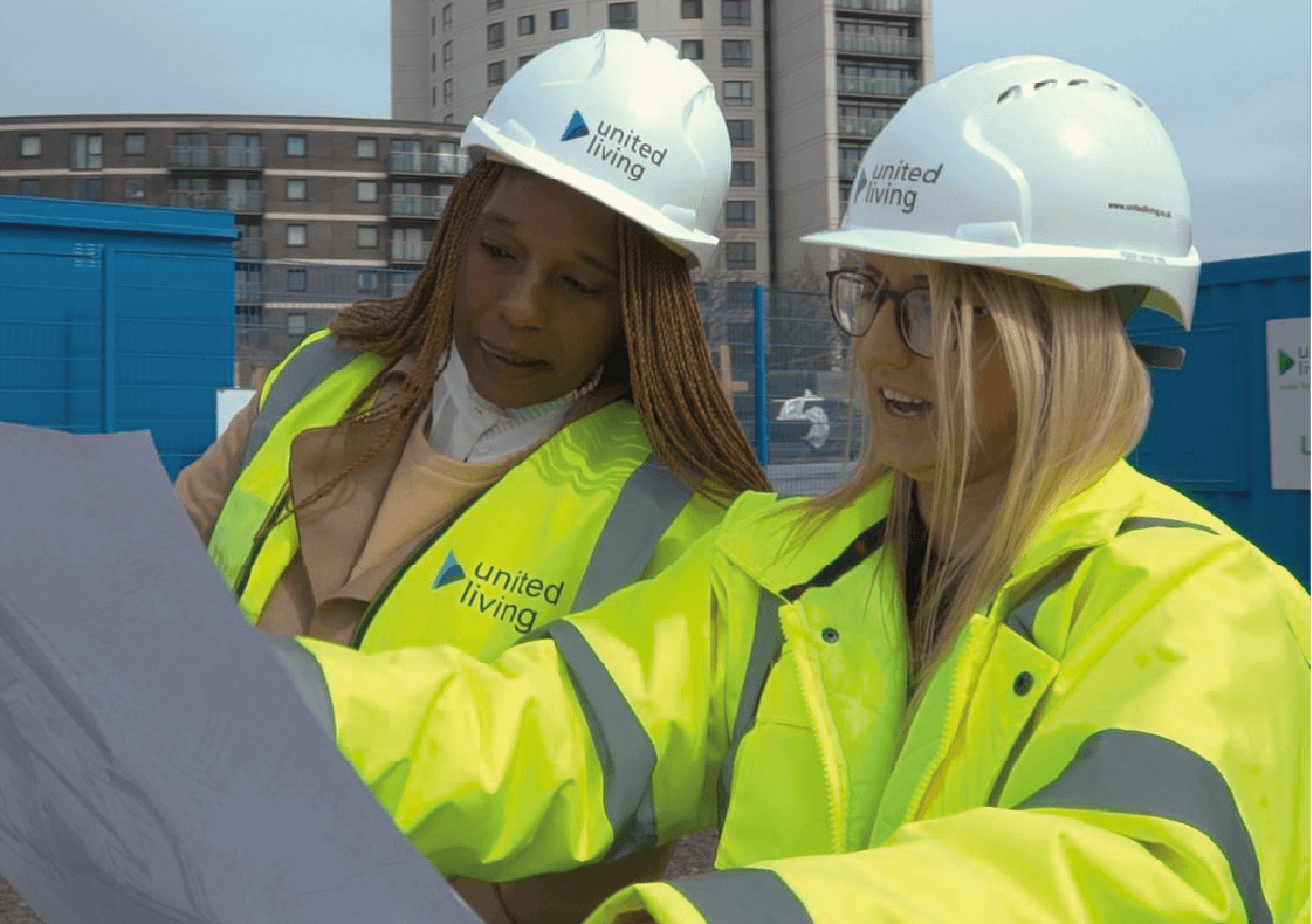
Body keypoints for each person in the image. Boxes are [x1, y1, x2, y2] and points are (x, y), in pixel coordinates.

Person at [271, 56, 1311, 923]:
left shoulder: (1207, 612)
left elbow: (1112, 882)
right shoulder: (782, 568)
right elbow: (544, 728)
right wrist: (265, 706)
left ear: (1071, 338)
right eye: (872, 293)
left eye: (938, 309)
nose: (880, 352)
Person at [174, 29, 769, 924]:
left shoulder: (685, 520)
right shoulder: (316, 380)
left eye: (578, 283)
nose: (520, 308)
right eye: (499, 252)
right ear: (458, 229)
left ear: (643, 307)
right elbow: (153, 588)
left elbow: (584, 839)